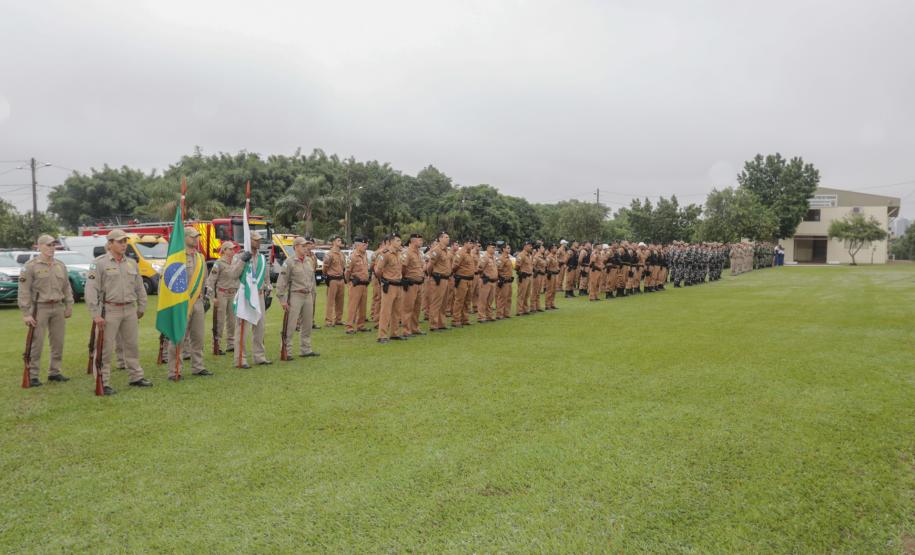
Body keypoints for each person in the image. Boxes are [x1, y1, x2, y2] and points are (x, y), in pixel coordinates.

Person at [84, 229, 151, 394]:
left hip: (129, 309)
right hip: (109, 310)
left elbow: (139, 287)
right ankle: (102, 381)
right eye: (120, 242)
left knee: (132, 346)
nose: (124, 245)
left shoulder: (131, 263)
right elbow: (91, 289)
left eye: (125, 241)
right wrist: (95, 314)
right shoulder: (99, 263)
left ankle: (136, 376)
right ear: (110, 244)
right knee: (105, 348)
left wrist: (142, 306)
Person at [18, 234, 74, 387]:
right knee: (37, 342)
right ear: (39, 246)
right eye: (48, 245)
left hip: (57, 307)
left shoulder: (60, 265)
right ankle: (33, 375)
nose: (51, 248)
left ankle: (54, 372)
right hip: (39, 308)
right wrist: (26, 313)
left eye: (53, 245)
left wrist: (69, 304)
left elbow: (66, 287)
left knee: (58, 342)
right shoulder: (30, 266)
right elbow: (24, 290)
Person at [167, 227, 212, 380]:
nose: (196, 239)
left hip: (198, 302)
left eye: (197, 237)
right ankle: (175, 370)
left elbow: (205, 280)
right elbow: (167, 282)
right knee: (178, 337)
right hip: (181, 303)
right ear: (184, 238)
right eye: (192, 237)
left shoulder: (200, 258)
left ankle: (198, 367)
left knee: (198, 337)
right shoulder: (176, 257)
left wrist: (206, 297)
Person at [230, 231, 271, 368]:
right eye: (256, 240)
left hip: (259, 295)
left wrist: (268, 290)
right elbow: (233, 274)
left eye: (260, 240)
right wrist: (242, 260)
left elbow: (266, 278)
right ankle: (240, 359)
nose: (259, 242)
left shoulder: (262, 258)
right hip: (245, 295)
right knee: (242, 329)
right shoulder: (239, 256)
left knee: (260, 327)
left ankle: (259, 356)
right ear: (249, 241)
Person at [275, 236, 319, 359]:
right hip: (295, 295)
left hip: (307, 295)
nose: (306, 248)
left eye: (306, 246)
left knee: (307, 324)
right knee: (290, 324)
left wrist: (313, 294)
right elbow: (282, 282)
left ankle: (306, 349)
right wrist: (282, 300)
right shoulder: (289, 262)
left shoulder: (309, 261)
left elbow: (312, 279)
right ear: (296, 247)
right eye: (303, 246)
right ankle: (286, 351)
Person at [206, 241, 237, 354]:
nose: (233, 251)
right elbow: (211, 281)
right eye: (230, 249)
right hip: (221, 294)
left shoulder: (235, 262)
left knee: (232, 320)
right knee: (220, 320)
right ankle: (216, 345)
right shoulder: (218, 263)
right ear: (224, 250)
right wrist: (213, 296)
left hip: (233, 293)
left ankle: (231, 344)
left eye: (233, 249)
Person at [375, 232, 404, 343]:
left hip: (398, 284)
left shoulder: (399, 253)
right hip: (389, 285)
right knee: (385, 311)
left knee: (397, 311)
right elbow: (377, 270)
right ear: (391, 241)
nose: (399, 242)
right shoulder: (385, 253)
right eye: (397, 240)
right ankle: (382, 335)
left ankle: (394, 333)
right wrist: (384, 280)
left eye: (400, 240)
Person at [425, 231, 451, 332]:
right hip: (438, 279)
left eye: (448, 237)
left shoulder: (446, 251)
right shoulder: (437, 250)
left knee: (444, 303)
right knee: (436, 302)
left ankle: (441, 323)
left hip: (445, 278)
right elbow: (430, 265)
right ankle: (434, 324)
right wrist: (432, 275)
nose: (448, 239)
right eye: (446, 237)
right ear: (440, 239)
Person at [344, 237, 370, 334]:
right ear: (357, 245)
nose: (366, 246)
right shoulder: (353, 256)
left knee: (363, 306)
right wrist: (349, 282)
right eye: (364, 245)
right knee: (353, 306)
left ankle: (361, 325)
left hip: (364, 284)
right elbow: (347, 271)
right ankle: (349, 326)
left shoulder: (365, 255)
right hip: (355, 284)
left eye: (366, 245)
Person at [401, 233, 425, 336]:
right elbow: (403, 268)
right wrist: (405, 278)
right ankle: (406, 330)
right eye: (420, 240)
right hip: (410, 283)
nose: (421, 242)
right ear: (413, 241)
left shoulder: (419, 253)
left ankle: (415, 328)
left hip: (419, 283)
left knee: (417, 307)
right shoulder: (407, 253)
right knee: (408, 308)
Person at [451, 239, 475, 328]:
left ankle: (465, 319)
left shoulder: (470, 253)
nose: (471, 245)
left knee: (467, 301)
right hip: (462, 279)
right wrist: (458, 275)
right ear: (465, 243)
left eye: (472, 243)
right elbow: (454, 266)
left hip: (469, 279)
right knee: (459, 300)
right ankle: (456, 320)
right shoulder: (460, 253)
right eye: (470, 242)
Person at [323, 235, 346, 327]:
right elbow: (325, 268)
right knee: (330, 301)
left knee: (340, 301)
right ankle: (328, 321)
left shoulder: (342, 254)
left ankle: (338, 319)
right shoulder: (329, 254)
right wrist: (327, 275)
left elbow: (343, 267)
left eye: (340, 240)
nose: (340, 242)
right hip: (332, 279)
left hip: (341, 279)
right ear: (333, 242)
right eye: (338, 240)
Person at [477, 241, 498, 322]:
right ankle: (481, 316)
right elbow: (479, 268)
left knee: (490, 300)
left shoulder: (493, 258)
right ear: (488, 248)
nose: (494, 249)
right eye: (492, 247)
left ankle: (489, 315)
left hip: (493, 281)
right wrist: (484, 275)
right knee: (483, 300)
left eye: (494, 247)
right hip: (486, 281)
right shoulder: (485, 258)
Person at [495, 242, 513, 320]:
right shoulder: (501, 259)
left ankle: (506, 313)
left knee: (508, 298)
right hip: (504, 281)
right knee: (502, 298)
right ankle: (499, 314)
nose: (509, 249)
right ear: (503, 249)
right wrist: (500, 279)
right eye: (508, 248)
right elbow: (498, 269)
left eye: (509, 248)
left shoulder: (508, 258)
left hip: (509, 281)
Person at [515, 240, 533, 315]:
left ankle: (525, 309)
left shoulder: (529, 255)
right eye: (529, 246)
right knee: (521, 294)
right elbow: (517, 266)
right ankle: (519, 310)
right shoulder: (521, 255)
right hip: (523, 277)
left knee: (527, 294)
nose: (531, 247)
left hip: (529, 277)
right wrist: (520, 273)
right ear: (525, 246)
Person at [545, 243, 559, 309]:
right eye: (554, 248)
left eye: (556, 248)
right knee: (549, 290)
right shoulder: (549, 257)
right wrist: (548, 273)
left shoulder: (555, 256)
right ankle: (547, 305)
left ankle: (552, 304)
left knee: (554, 290)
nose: (556, 249)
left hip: (555, 274)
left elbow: (556, 265)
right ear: (551, 249)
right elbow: (546, 266)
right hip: (550, 275)